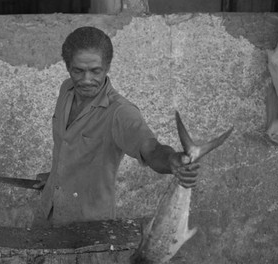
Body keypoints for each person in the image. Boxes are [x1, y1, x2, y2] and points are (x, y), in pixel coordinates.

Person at [34, 26, 200, 226]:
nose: (86, 80)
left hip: (88, 228)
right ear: (68, 67)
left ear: (107, 67)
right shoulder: (66, 90)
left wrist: (171, 160)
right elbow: (68, 149)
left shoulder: (120, 112)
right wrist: (56, 178)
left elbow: (151, 148)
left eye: (95, 71)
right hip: (48, 213)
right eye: (78, 71)